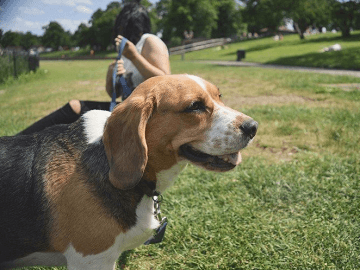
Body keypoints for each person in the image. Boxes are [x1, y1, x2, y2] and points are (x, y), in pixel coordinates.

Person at [18, 2, 170, 135]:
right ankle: (20, 141)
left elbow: (166, 83)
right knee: (76, 108)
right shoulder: (128, 49)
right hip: (128, 109)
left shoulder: (149, 40)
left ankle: (18, 142)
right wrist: (111, 74)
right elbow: (115, 94)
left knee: (77, 107)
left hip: (147, 114)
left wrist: (134, 57)